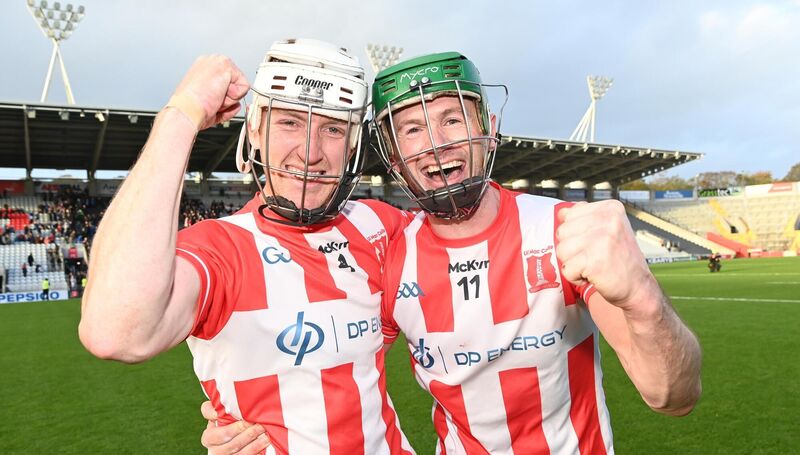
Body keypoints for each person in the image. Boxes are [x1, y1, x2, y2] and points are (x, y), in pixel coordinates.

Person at [204, 52, 702, 453]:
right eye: (412, 129)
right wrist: (240, 423)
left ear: (488, 128)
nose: (435, 145)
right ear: (393, 155)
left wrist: (643, 299)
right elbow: (332, 363)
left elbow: (672, 396)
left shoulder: (562, 230)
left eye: (451, 119)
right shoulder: (392, 252)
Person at [79, 39, 414, 454]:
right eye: (289, 122)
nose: (310, 152)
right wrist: (181, 114)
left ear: (352, 144)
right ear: (254, 129)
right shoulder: (219, 249)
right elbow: (114, 334)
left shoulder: (379, 224)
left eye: (333, 128)